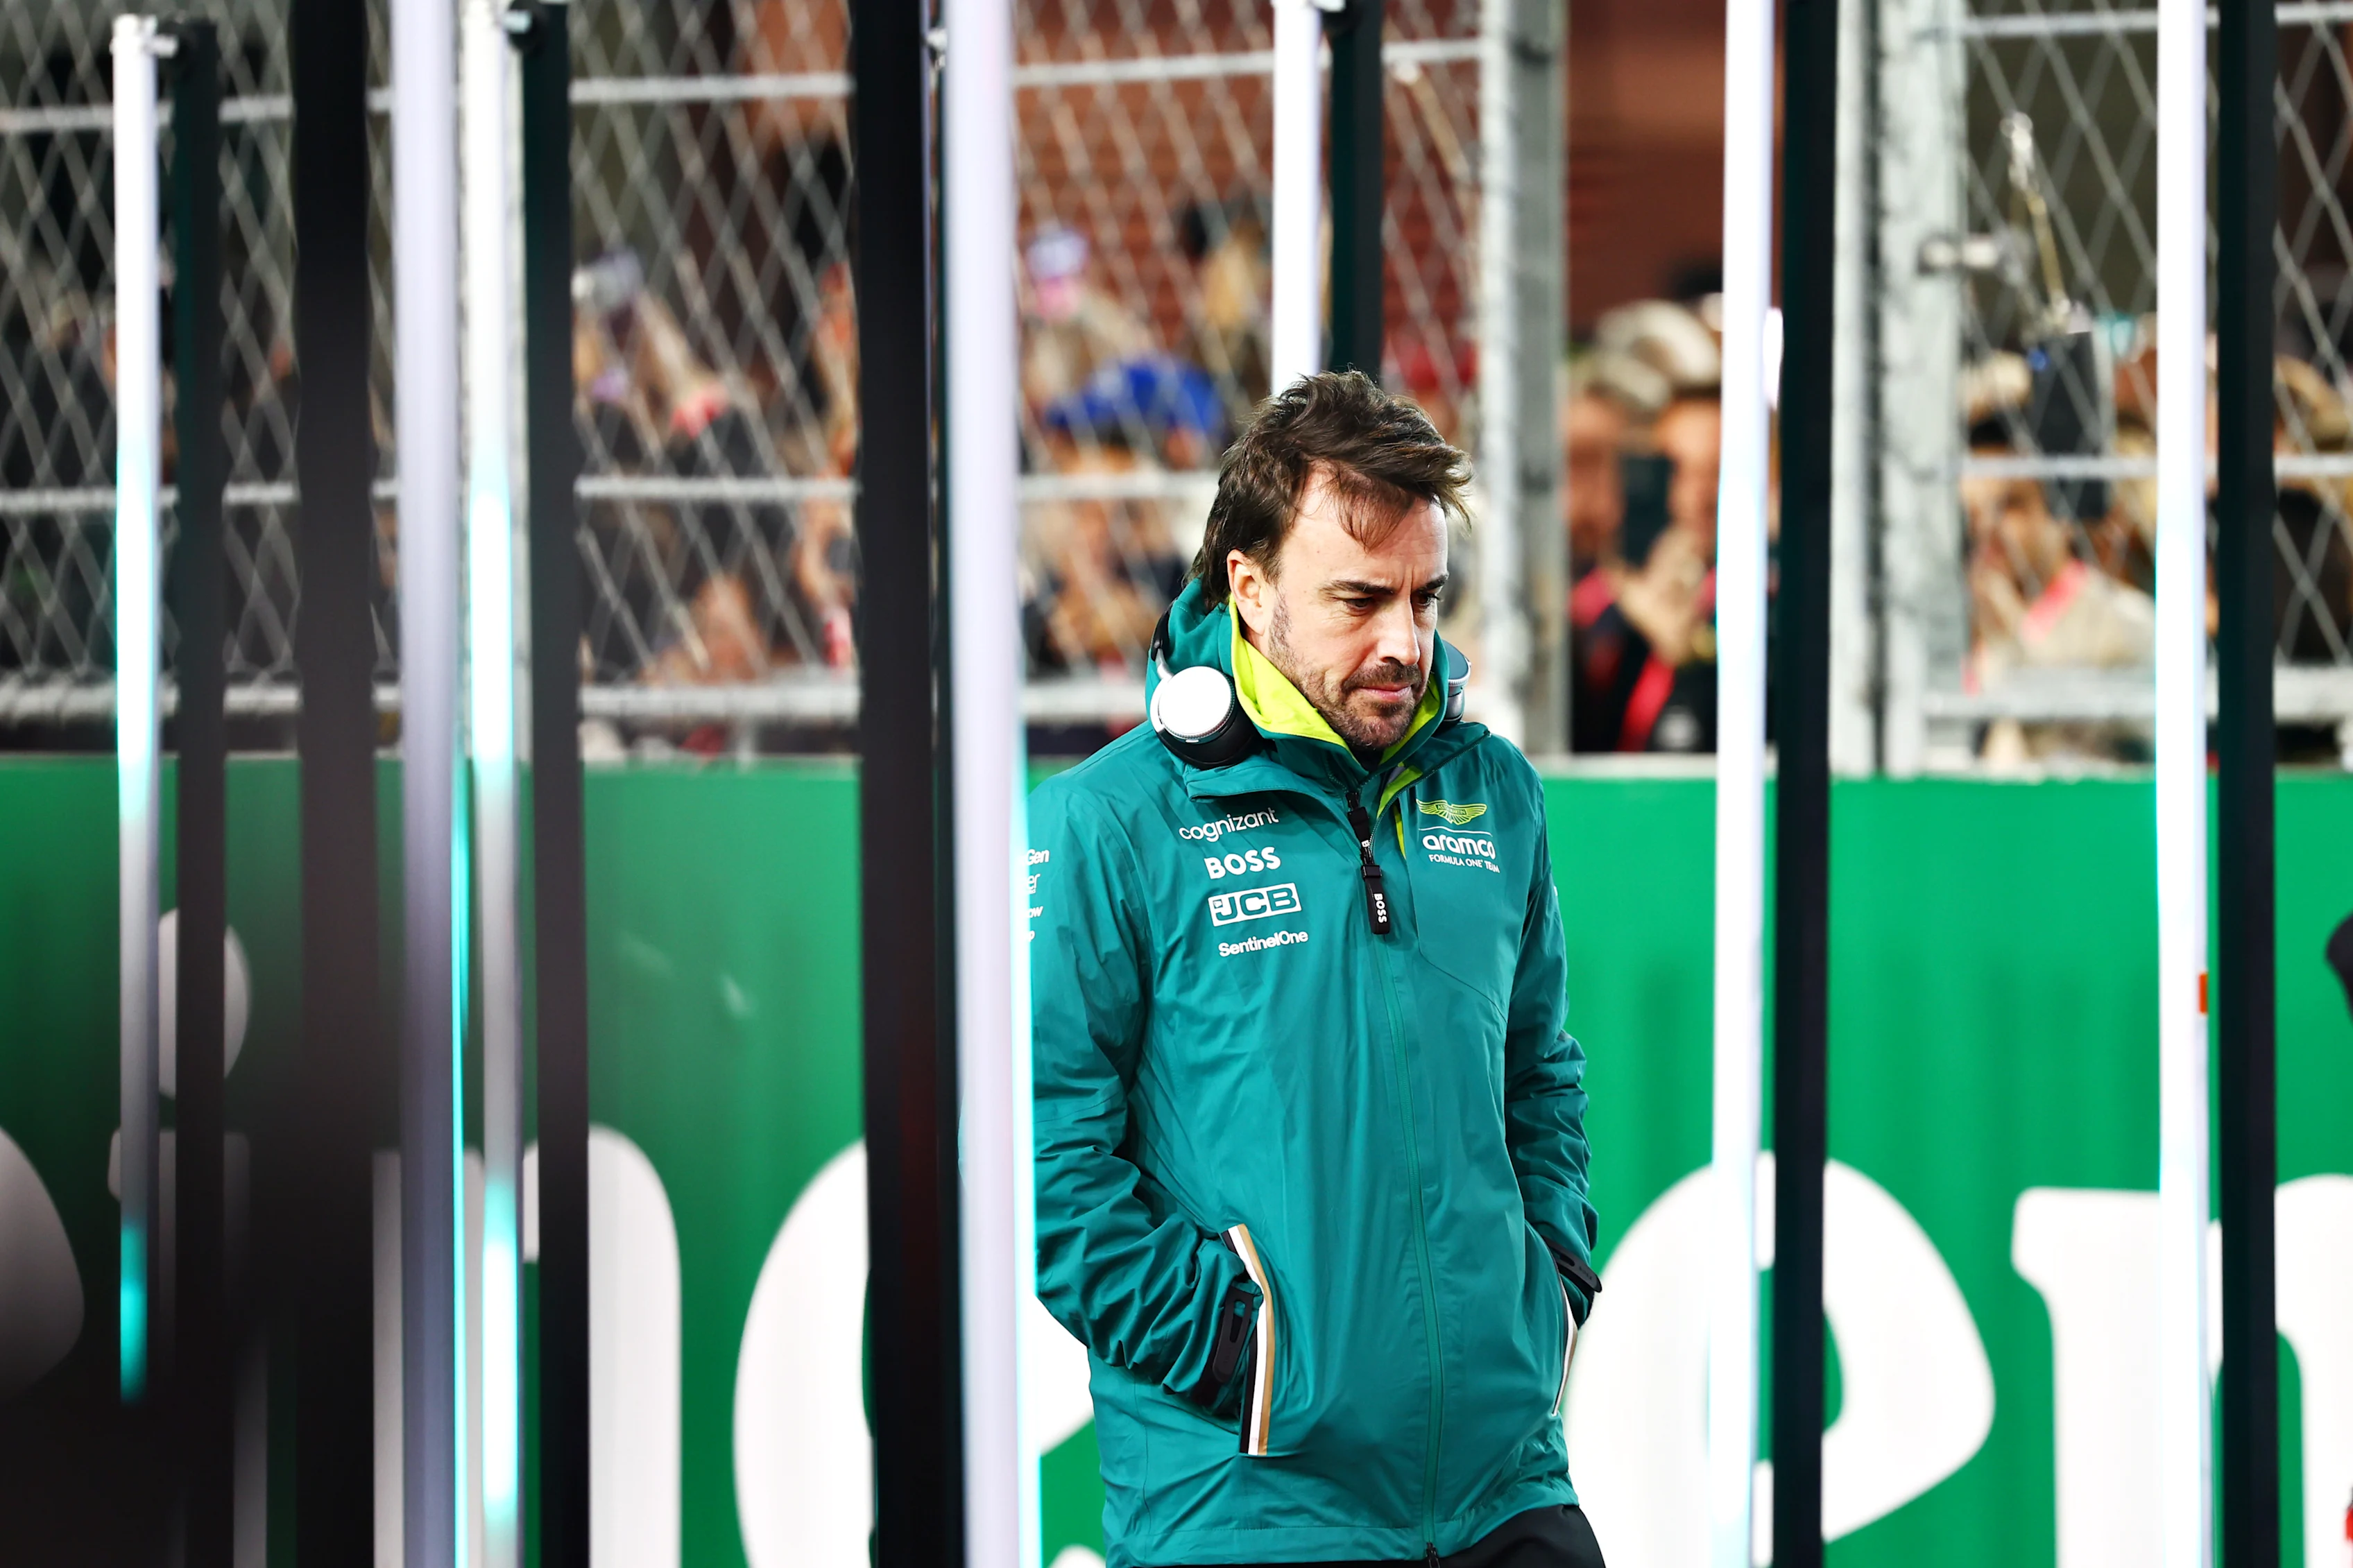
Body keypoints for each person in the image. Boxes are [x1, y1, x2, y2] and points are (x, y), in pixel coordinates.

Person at [1029, 371, 1606, 1568]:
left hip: (1506, 1486)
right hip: (1248, 1508)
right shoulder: (1111, 822)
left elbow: (1539, 1074)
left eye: (1425, 598)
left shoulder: (1493, 790)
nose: (1404, 642)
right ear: (1248, 587)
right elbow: (1050, 1175)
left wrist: (1545, 1294)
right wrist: (1253, 1359)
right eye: (1359, 600)